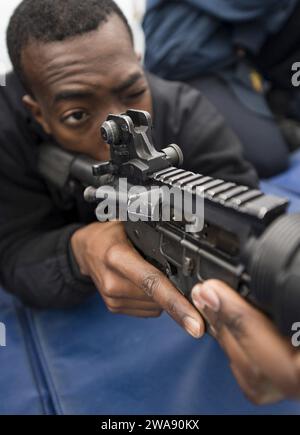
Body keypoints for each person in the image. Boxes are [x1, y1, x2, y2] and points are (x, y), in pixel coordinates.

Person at [0, 0, 299, 405]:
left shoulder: (186, 112)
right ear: (37, 113)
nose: (116, 126)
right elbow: (15, 251)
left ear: (138, 62)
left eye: (132, 91)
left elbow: (241, 223)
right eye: (77, 115)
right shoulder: (9, 137)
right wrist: (79, 252)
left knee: (268, 152)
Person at [143, 0, 300, 178]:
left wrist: (246, 40)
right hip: (186, 70)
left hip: (229, 66)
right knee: (268, 157)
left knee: (270, 156)